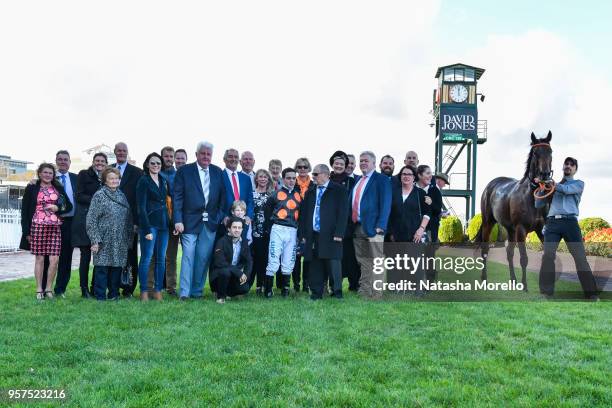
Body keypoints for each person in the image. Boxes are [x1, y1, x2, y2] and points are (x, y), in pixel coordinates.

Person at [535, 157, 599, 300]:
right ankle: (546, 293)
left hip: (570, 223)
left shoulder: (578, 184)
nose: (568, 166)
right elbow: (538, 205)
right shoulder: (551, 186)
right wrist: (540, 188)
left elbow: (566, 190)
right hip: (552, 224)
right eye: (566, 164)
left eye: (572, 165)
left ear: (575, 169)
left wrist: (551, 184)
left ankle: (591, 294)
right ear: (563, 167)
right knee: (547, 256)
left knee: (580, 258)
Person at [174, 141, 227, 300]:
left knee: (203, 258)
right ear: (196, 154)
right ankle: (184, 292)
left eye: (208, 154)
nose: (205, 156)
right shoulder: (184, 171)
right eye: (202, 153)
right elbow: (178, 197)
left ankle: (196, 291)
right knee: (188, 256)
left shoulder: (218, 172)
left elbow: (222, 199)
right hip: (188, 222)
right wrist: (178, 219)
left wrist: (217, 217)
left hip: (209, 223)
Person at [20, 163, 73, 299]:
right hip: (37, 226)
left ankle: (49, 289)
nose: (48, 175)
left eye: (50, 173)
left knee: (54, 259)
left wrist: (57, 208)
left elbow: (68, 206)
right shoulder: (32, 187)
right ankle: (39, 290)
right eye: (45, 172)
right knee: (40, 258)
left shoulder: (58, 187)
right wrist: (27, 232)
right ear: (39, 173)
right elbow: (25, 211)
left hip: (55, 227)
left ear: (53, 175)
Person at [299, 164, 348, 300]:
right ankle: (316, 293)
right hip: (313, 234)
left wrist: (339, 233)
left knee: (333, 264)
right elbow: (304, 213)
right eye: (313, 174)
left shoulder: (339, 190)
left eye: (316, 174)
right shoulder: (311, 191)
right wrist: (303, 234)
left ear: (326, 174)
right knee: (315, 264)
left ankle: (337, 292)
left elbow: (343, 213)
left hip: (332, 234)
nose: (313, 177)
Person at [86, 168, 133, 301]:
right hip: (103, 238)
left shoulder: (121, 195)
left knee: (116, 267)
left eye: (116, 178)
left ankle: (114, 294)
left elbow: (128, 217)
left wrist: (129, 237)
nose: (114, 180)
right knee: (102, 268)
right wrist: (95, 240)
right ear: (105, 180)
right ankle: (100, 296)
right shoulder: (99, 195)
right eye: (111, 178)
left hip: (120, 238)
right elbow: (91, 219)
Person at [350, 151, 392, 299]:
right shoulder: (358, 180)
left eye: (366, 161)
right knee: (363, 261)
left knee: (377, 261)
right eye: (361, 161)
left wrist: (381, 225)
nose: (363, 163)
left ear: (374, 163)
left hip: (375, 228)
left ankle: (377, 294)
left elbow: (386, 203)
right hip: (358, 226)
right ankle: (365, 291)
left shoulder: (381, 180)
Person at [388, 165, 431, 294]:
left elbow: (427, 214)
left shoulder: (421, 194)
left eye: (409, 174)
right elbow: (389, 213)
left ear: (414, 177)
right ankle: (397, 289)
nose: (406, 176)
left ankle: (418, 290)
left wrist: (421, 229)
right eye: (403, 174)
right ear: (400, 177)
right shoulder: (393, 192)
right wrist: (390, 232)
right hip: (396, 234)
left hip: (415, 234)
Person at [41, 150, 77, 297]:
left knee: (66, 258)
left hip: (70, 222)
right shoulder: (48, 178)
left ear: (70, 162)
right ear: (56, 161)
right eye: (60, 159)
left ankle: (60, 289)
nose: (63, 162)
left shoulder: (76, 178)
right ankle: (44, 288)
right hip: (51, 222)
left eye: (65, 159)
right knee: (48, 256)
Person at [72, 152, 107, 298]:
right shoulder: (84, 174)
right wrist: (96, 199)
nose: (99, 163)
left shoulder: (107, 177)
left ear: (106, 164)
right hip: (86, 221)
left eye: (102, 161)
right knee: (85, 256)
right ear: (93, 161)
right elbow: (79, 195)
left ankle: (95, 287)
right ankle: (84, 289)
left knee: (99, 258)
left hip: (102, 222)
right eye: (97, 160)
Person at [136, 153, 170, 302]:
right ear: (147, 164)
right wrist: (147, 229)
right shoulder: (143, 181)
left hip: (163, 225)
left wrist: (171, 222)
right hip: (149, 225)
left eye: (158, 163)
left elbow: (167, 203)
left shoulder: (163, 179)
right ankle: (144, 291)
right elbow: (141, 207)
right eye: (153, 163)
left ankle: (157, 290)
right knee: (146, 258)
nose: (156, 165)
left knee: (161, 259)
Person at [112, 142, 144, 297]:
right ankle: (113, 286)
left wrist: (137, 222)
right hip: (111, 223)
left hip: (130, 222)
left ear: (128, 152)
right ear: (115, 152)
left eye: (124, 150)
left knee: (130, 256)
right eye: (119, 150)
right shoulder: (108, 170)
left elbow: (139, 199)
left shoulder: (137, 172)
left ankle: (129, 288)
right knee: (114, 255)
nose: (122, 153)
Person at [146, 146, 179, 296]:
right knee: (153, 255)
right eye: (166, 156)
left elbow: (177, 199)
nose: (169, 159)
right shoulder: (154, 174)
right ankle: (150, 286)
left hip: (171, 221)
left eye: (171, 156)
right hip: (156, 220)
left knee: (171, 256)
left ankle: (171, 287)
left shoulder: (177, 175)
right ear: (161, 157)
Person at [264, 168, 301, 298]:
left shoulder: (298, 196)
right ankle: (268, 290)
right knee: (273, 259)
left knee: (288, 260)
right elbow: (267, 212)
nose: (291, 180)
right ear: (283, 178)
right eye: (288, 178)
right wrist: (270, 228)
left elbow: (300, 216)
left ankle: (285, 290)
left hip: (292, 231)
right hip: (278, 229)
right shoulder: (275, 194)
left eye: (293, 178)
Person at [329, 150, 358, 291]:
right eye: (337, 163)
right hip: (329, 224)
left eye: (342, 164)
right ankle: (333, 284)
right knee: (332, 256)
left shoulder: (353, 181)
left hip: (347, 224)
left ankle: (353, 284)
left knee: (349, 255)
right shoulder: (327, 178)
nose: (340, 166)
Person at [210, 217, 253, 304]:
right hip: (219, 275)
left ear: (242, 229)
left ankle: (227, 293)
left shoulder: (244, 242)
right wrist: (239, 272)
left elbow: (249, 261)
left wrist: (245, 275)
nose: (237, 230)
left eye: (239, 228)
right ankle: (220, 297)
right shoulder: (221, 241)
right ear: (229, 229)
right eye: (234, 227)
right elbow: (220, 263)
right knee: (225, 272)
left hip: (233, 274)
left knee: (245, 288)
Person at [416, 165, 442, 282]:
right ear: (419, 175)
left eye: (430, 173)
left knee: (429, 256)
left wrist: (431, 203)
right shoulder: (413, 189)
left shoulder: (434, 190)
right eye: (427, 173)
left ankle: (430, 282)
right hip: (415, 228)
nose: (430, 175)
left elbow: (438, 211)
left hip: (430, 229)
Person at [250, 169, 274, 294]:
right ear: (256, 179)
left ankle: (265, 284)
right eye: (260, 177)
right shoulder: (252, 194)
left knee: (267, 258)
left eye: (265, 177)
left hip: (269, 231)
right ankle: (258, 285)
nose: (263, 179)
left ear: (268, 179)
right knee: (257, 258)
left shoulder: (272, 195)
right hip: (255, 231)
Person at [293, 157, 312, 292]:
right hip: (294, 223)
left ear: (309, 168)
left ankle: (306, 283)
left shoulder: (314, 184)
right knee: (296, 255)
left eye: (305, 167)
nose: (302, 169)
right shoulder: (292, 183)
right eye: (299, 167)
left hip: (309, 223)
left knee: (307, 255)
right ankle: (296, 284)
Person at [221, 148, 254, 220]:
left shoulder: (246, 178)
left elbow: (250, 200)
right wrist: (223, 217)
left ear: (239, 161)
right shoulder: (219, 176)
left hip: (243, 221)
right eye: (230, 156)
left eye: (236, 157)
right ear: (224, 159)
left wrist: (248, 216)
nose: (233, 159)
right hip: (225, 220)